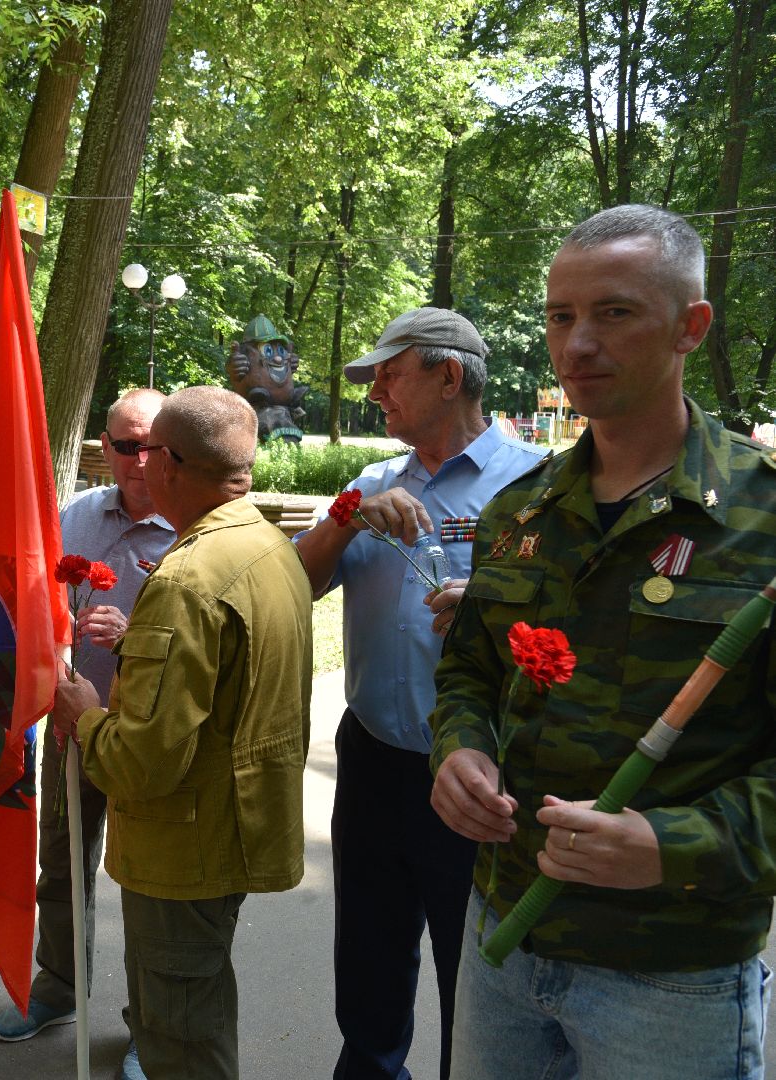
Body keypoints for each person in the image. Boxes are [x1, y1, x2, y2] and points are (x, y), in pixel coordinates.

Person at [430, 204, 776, 1079]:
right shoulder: (520, 512)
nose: (577, 343)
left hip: (672, 973)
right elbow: (470, 670)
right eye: (560, 316)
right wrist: (459, 752)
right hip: (504, 936)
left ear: (690, 326)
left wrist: (675, 844)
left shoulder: (763, 519)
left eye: (613, 312)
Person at [293, 308, 545, 1079]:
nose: (376, 395)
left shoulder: (536, 484)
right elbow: (294, 585)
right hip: (372, 759)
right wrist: (344, 521)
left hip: (479, 769)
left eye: (387, 375)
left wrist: (491, 601)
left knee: (476, 976)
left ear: (448, 374)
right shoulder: (371, 484)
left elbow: (577, 623)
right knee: (368, 955)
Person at [52, 386, 312, 1080]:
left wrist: (85, 714)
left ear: (171, 463)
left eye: (147, 451)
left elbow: (143, 761)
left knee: (181, 1036)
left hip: (185, 841)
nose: (136, 465)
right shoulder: (267, 543)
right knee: (192, 1003)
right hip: (233, 824)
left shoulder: (189, 576)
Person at [0, 388, 176, 1042]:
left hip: (152, 739)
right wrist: (54, 628)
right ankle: (59, 990)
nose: (140, 459)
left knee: (151, 887)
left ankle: (150, 1030)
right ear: (107, 449)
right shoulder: (72, 519)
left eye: (153, 444)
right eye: (126, 445)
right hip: (74, 728)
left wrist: (135, 637)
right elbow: (27, 607)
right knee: (64, 868)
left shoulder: (196, 528)